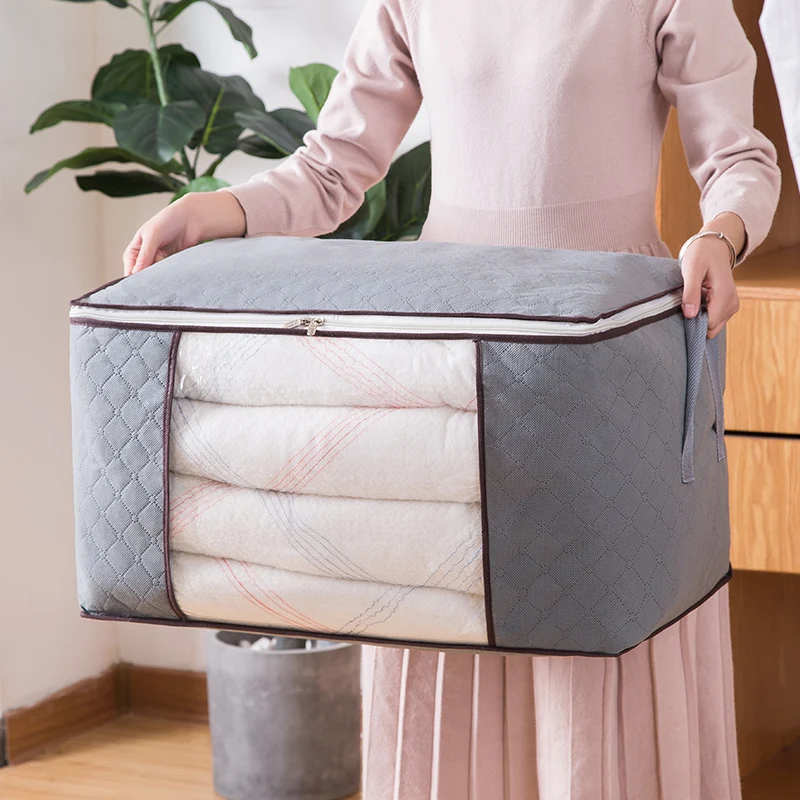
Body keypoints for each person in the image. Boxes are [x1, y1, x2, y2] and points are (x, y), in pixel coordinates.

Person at [123, 0, 782, 796]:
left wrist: (720, 234)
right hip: (447, 356)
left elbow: (740, 159)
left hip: (605, 350)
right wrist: (215, 210)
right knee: (447, 604)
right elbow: (333, 168)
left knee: (599, 618)